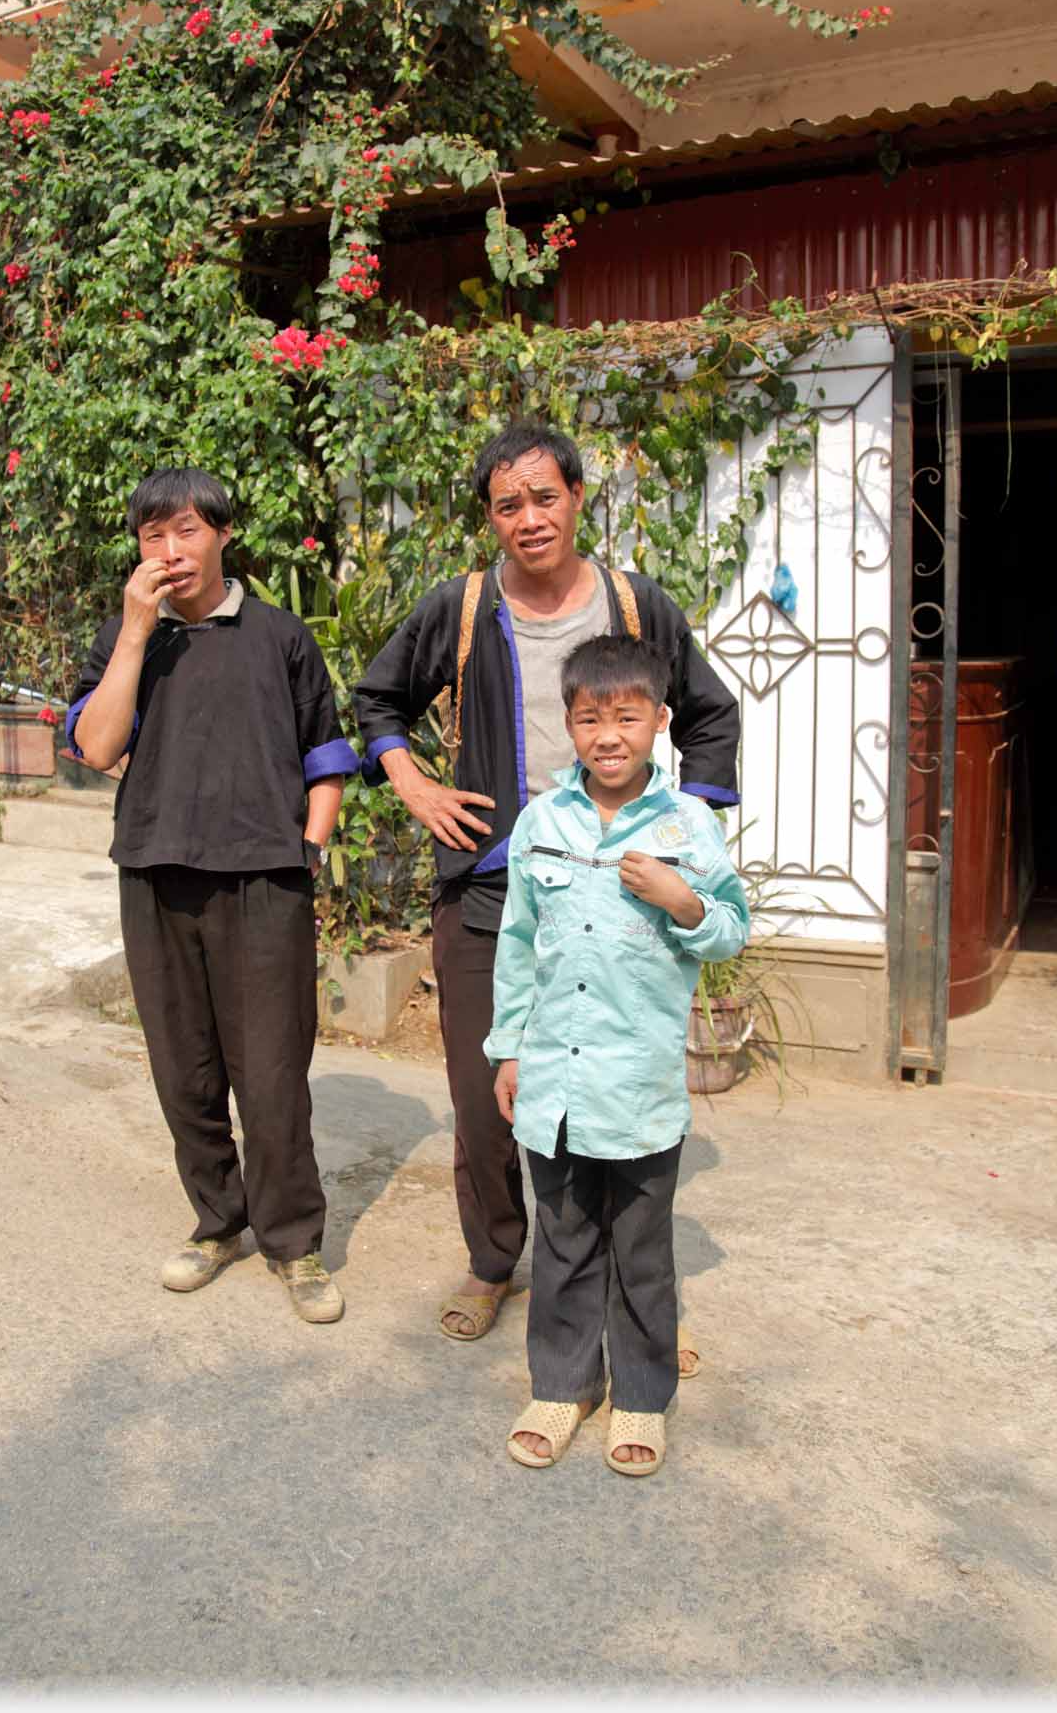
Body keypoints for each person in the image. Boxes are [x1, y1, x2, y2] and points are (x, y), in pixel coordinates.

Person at [352, 423, 740, 1348]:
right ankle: (494, 1262)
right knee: (489, 1092)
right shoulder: (459, 608)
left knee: (616, 1097)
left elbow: (711, 713)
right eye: (507, 504)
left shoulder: (635, 605)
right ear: (490, 516)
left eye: (545, 496)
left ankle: (624, 1291)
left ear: (577, 496)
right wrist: (413, 784)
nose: (529, 518)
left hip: (624, 902)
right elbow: (377, 700)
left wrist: (686, 842)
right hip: (493, 886)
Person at [67, 467, 358, 1322]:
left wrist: (306, 850)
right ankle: (215, 1220)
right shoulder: (134, 639)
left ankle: (294, 1242)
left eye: (186, 530)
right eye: (152, 536)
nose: (170, 551)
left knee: (271, 1075)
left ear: (224, 533)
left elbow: (328, 756)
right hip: (156, 872)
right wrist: (131, 634)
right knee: (182, 1070)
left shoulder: (279, 636)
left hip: (265, 881)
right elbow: (94, 743)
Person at [484, 634, 750, 1475]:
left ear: (660, 722)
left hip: (637, 1087)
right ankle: (563, 1385)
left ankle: (641, 1395)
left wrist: (683, 899)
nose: (608, 735)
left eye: (627, 717)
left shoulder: (687, 826)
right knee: (561, 1241)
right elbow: (518, 945)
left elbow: (732, 927)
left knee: (640, 1250)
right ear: (568, 723)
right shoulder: (543, 822)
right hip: (553, 1081)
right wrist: (507, 1051)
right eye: (590, 718)